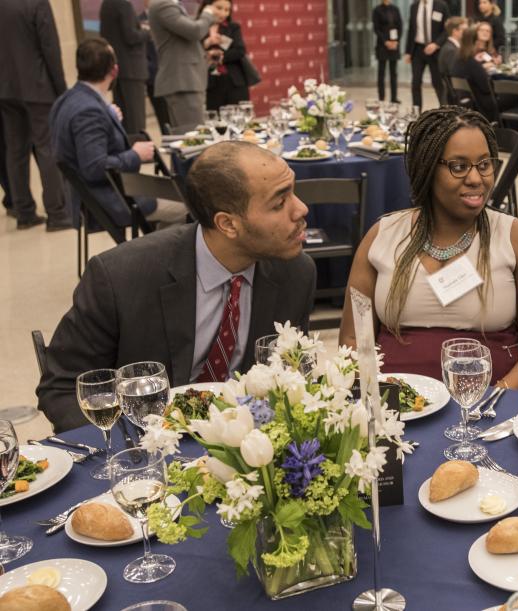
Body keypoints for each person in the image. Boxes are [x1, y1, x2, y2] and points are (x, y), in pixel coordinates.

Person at [37, 140, 318, 432]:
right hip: (145, 447)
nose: (301, 209)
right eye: (279, 203)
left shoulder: (295, 275)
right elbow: (62, 387)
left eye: (293, 193)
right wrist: (133, 447)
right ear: (228, 224)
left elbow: (290, 378)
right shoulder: (120, 277)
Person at [339, 106, 518, 387]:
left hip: (491, 408)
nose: (476, 179)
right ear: (427, 167)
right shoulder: (383, 235)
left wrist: (492, 399)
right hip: (396, 410)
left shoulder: (517, 238)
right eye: (459, 166)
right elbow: (352, 340)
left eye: (484, 164)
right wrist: (385, 397)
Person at [51, 38, 188, 229]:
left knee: (182, 193)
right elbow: (95, 168)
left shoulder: (69, 99)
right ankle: (166, 253)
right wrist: (135, 155)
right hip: (110, 199)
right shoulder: (89, 111)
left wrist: (108, 116)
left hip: (97, 194)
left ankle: (159, 248)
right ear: (114, 71)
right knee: (194, 206)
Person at [0, 0, 71, 230]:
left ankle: (24, 213)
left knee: (16, 151)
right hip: (37, 87)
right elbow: (50, 48)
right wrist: (62, 91)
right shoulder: (36, 3)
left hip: (6, 90)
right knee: (47, 148)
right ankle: (57, 213)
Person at [147, 0, 218, 129]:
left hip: (186, 80)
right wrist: (207, 13)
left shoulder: (170, 6)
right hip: (182, 81)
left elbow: (182, 42)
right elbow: (195, 31)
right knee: (194, 136)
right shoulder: (163, 5)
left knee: (188, 136)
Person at [100, 0, 149, 135]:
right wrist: (148, 31)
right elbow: (131, 36)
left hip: (118, 69)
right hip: (132, 69)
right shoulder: (123, 4)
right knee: (136, 122)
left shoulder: (107, 4)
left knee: (123, 121)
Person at [199, 0, 251, 111]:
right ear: (206, 7)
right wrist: (206, 46)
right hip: (210, 84)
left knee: (240, 120)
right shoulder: (197, 27)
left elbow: (240, 50)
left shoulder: (233, 27)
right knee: (216, 122)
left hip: (234, 82)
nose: (223, 13)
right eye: (219, 8)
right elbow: (191, 51)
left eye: (227, 10)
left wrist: (221, 56)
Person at [404, 0, 450, 109]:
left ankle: (444, 111)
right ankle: (416, 113)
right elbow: (411, 29)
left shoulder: (441, 5)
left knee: (438, 82)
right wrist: (408, 52)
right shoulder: (414, 6)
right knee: (415, 82)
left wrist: (436, 44)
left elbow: (447, 29)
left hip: (435, 50)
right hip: (418, 50)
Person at [451, 28, 500, 121]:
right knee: (517, 97)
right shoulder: (471, 62)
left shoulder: (458, 59)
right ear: (475, 42)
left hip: (465, 101)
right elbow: (486, 88)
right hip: (481, 104)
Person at [139, 0, 171, 133]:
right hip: (154, 78)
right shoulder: (138, 22)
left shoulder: (169, 17)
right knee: (163, 119)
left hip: (173, 75)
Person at [373, 0, 403, 103]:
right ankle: (381, 97)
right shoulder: (377, 10)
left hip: (394, 45)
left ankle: (394, 97)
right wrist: (386, 41)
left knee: (393, 73)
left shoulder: (395, 9)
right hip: (382, 45)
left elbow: (400, 26)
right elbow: (376, 29)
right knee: (381, 73)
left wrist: (396, 41)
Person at [437, 17, 467, 81]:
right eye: (464, 30)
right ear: (455, 31)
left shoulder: (452, 47)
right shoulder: (451, 50)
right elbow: (455, 74)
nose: (467, 33)